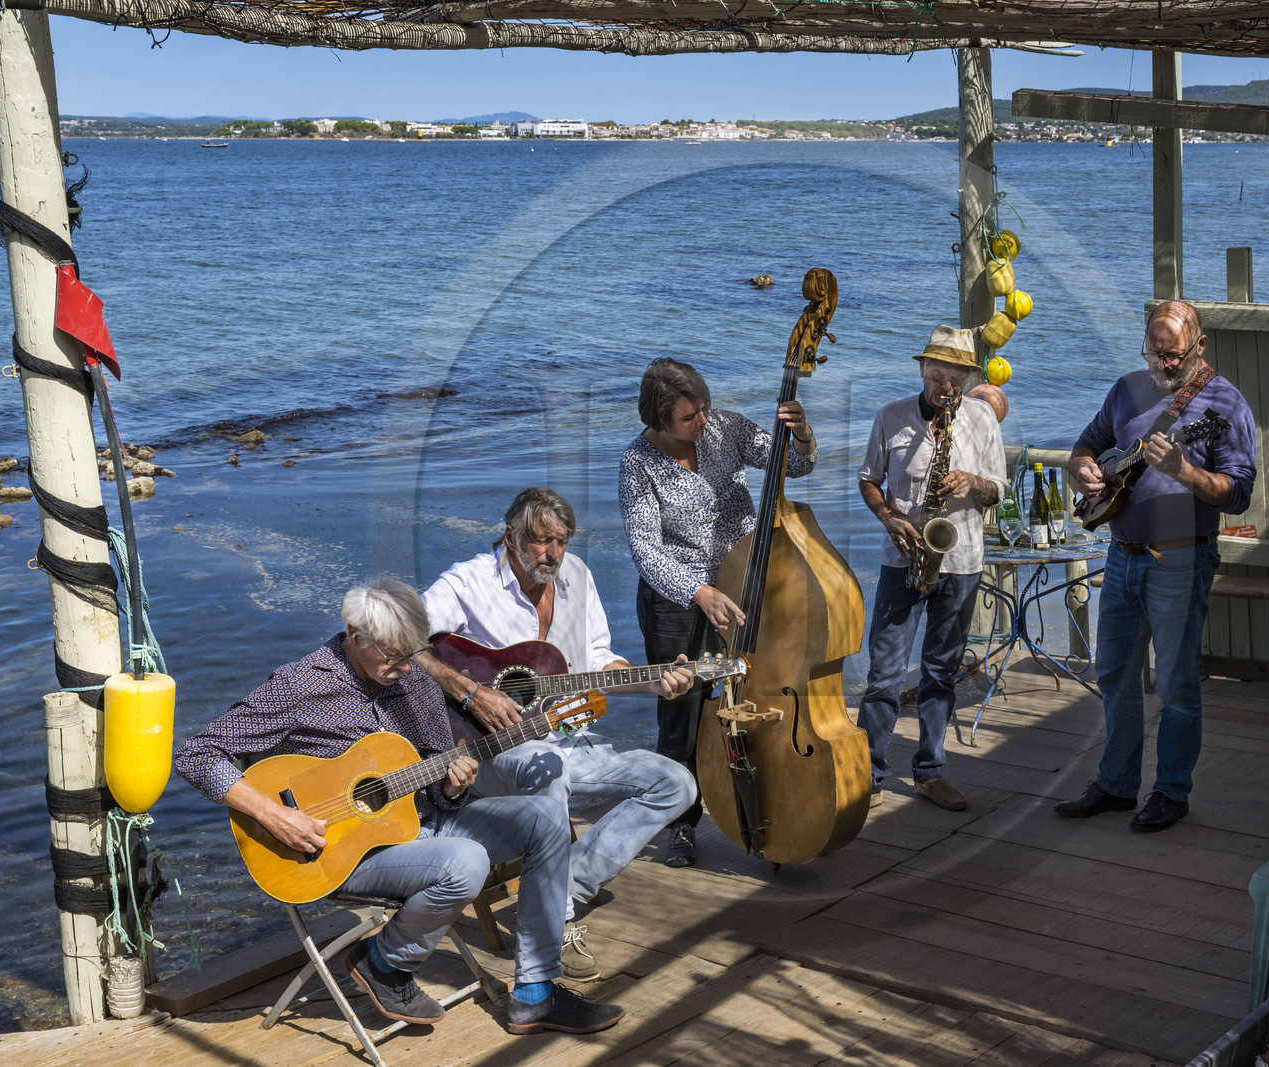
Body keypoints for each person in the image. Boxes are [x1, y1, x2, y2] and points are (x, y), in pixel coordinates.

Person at [173, 579, 623, 1037]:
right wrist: (274, 815)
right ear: (354, 633)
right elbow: (197, 754)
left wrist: (453, 785)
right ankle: (384, 962)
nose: (406, 667)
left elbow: (437, 789)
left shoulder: (417, 679)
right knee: (465, 862)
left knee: (547, 819)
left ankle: (535, 993)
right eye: (393, 655)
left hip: (417, 827)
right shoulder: (300, 685)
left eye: (412, 654)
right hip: (338, 851)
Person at [412, 487, 698, 984]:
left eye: (562, 541)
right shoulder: (468, 582)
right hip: (491, 750)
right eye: (542, 542)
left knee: (676, 783)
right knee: (549, 771)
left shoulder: (578, 577)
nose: (554, 554)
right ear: (511, 535)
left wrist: (654, 681)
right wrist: (468, 693)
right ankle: (552, 927)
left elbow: (600, 659)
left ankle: (564, 887)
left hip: (568, 737)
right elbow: (398, 638)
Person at [1055, 300, 1257, 832]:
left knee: (1174, 683)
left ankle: (1170, 791)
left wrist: (1185, 471)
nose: (1163, 365)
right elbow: (1089, 443)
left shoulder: (1226, 404)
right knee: (1114, 674)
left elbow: (1237, 495)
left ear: (1200, 346)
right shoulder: (1125, 389)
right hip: (1122, 556)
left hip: (1182, 559)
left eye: (1174, 356)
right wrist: (1082, 470)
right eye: (1154, 353)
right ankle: (1117, 785)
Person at [618, 357, 818, 868]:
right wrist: (697, 591)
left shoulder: (726, 426)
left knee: (755, 692)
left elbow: (792, 466)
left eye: (704, 409)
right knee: (681, 713)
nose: (702, 422)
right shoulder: (636, 463)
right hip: (675, 599)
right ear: (659, 418)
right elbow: (645, 550)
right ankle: (681, 824)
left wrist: (801, 437)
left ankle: (767, 804)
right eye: (689, 418)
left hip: (745, 582)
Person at [856, 325, 1007, 812]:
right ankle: (870, 775)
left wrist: (973, 483)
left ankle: (929, 771)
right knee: (883, 675)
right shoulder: (891, 417)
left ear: (966, 377)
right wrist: (889, 517)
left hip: (960, 562)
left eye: (954, 379)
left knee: (941, 674)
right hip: (903, 559)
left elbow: (999, 490)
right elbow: (869, 481)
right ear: (922, 370)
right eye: (936, 375)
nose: (944, 387)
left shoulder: (983, 417)